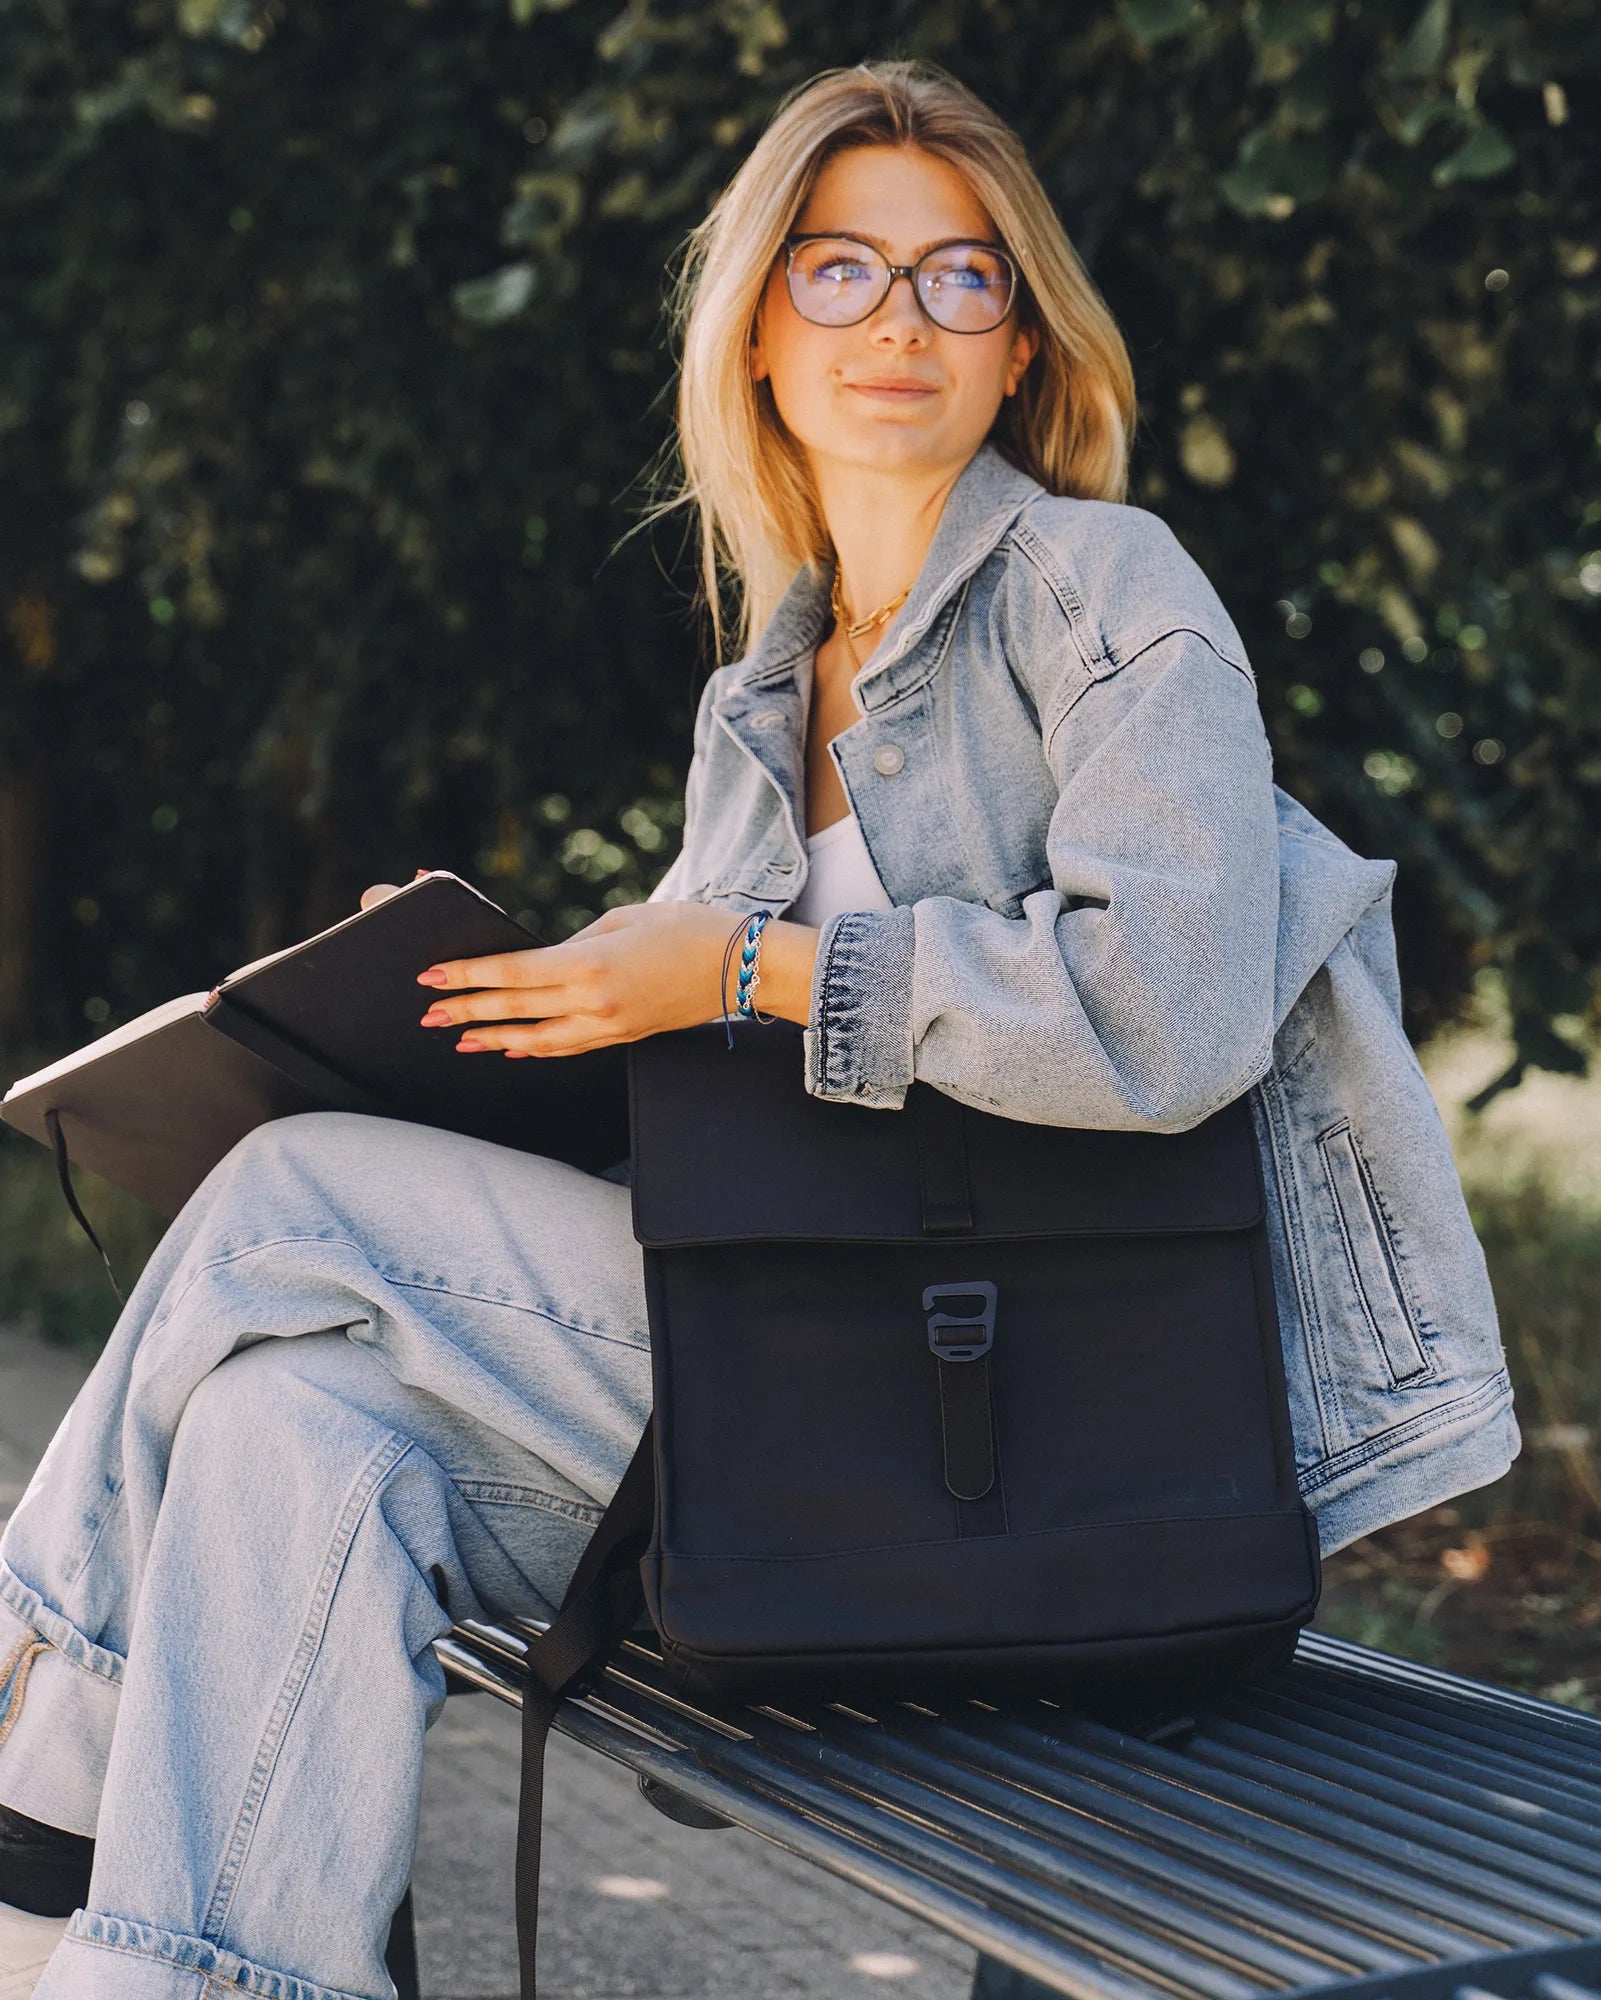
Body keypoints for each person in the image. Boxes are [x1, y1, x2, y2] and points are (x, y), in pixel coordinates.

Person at [0, 56, 1518, 2000]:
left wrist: (742, 972)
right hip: (796, 1382)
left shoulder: (1102, 589)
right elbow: (732, 1143)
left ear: (1024, 341)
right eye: (842, 270)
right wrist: (532, 1020)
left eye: (961, 276)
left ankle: (37, 1767)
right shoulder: (766, 694)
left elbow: (1175, 1009)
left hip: (1034, 1419)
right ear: (760, 332)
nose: (901, 319)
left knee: (296, 1199)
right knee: (295, 1429)